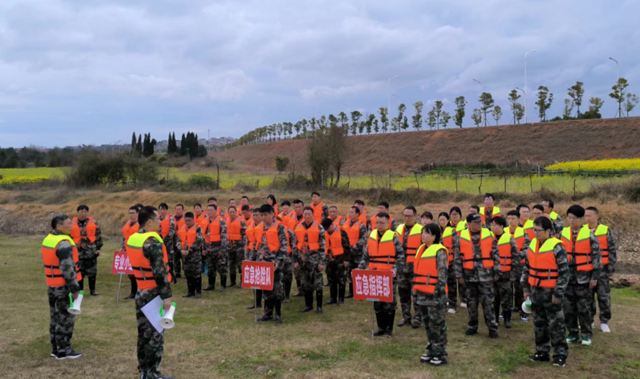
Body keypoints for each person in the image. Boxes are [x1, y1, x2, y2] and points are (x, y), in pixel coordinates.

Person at [125, 206, 174, 379]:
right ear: (149, 222)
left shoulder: (134, 238)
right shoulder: (152, 242)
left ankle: (144, 370)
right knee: (155, 333)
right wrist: (166, 297)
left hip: (141, 289)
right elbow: (160, 273)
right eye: (158, 219)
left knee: (143, 333)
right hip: (153, 292)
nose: (161, 222)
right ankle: (153, 373)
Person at [522, 217, 569, 368]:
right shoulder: (532, 245)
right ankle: (542, 352)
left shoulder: (557, 248)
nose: (535, 233)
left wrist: (558, 294)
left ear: (548, 231)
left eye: (538, 230)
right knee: (539, 323)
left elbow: (564, 274)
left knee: (556, 325)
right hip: (536, 291)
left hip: (551, 293)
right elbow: (527, 269)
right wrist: (526, 289)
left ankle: (560, 354)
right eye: (534, 230)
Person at [455, 213, 501, 338]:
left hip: (486, 276)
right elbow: (458, 259)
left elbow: (496, 255)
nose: (479, 224)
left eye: (480, 221)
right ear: (469, 224)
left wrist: (497, 271)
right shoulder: (460, 237)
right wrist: (459, 275)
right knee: (472, 303)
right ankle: (472, 327)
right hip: (469, 277)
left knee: (488, 303)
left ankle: (492, 328)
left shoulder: (489, 235)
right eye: (475, 222)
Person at [359, 212, 405, 336]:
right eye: (377, 222)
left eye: (382, 223)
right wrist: (360, 268)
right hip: (374, 274)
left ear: (388, 223)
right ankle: (381, 328)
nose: (379, 225)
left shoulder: (393, 237)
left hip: (388, 275)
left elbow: (401, 256)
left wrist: (395, 269)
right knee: (377, 302)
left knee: (389, 302)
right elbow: (366, 256)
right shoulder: (372, 236)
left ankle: (389, 330)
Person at [43, 215, 82, 360]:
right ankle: (64, 349)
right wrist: (74, 288)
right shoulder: (64, 243)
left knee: (54, 317)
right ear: (59, 226)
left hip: (52, 284)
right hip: (63, 286)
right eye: (68, 224)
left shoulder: (49, 239)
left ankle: (55, 348)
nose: (71, 226)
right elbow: (67, 268)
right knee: (65, 318)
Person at [561, 204, 601, 346]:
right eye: (569, 218)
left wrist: (594, 277)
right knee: (568, 308)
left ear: (581, 219)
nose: (571, 221)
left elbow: (597, 258)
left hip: (584, 278)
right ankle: (572, 333)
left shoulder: (590, 236)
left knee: (584, 307)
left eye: (574, 218)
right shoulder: (562, 234)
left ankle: (586, 334)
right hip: (567, 277)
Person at [414, 224, 449, 366]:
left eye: (426, 233)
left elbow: (442, 274)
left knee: (437, 325)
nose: (423, 235)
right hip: (422, 294)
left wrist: (438, 294)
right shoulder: (421, 250)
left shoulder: (439, 251)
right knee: (428, 324)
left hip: (435, 295)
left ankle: (440, 353)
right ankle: (431, 349)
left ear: (434, 236)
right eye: (422, 233)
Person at [585, 206, 616, 333]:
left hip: (602, 268)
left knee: (603, 296)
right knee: (588, 297)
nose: (587, 218)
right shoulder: (582, 231)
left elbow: (612, 249)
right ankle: (589, 320)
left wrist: (611, 267)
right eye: (585, 216)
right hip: (587, 269)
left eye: (589, 216)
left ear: (597, 216)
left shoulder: (605, 230)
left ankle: (604, 321)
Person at [255, 205, 288, 323]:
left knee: (276, 290)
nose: (263, 218)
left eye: (266, 215)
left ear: (272, 214)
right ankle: (267, 314)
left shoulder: (279, 228)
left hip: (274, 264)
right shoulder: (259, 228)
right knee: (265, 289)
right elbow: (256, 245)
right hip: (262, 263)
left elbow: (284, 247)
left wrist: (278, 262)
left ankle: (278, 314)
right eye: (262, 215)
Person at [396, 206, 424, 328]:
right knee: (403, 293)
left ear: (415, 217)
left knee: (416, 294)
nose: (406, 218)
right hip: (402, 267)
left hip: (415, 268)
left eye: (409, 216)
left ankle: (418, 317)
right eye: (405, 215)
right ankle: (405, 316)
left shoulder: (422, 230)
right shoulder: (398, 228)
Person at [294, 207, 326, 313]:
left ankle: (319, 307)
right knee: (306, 283)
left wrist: (321, 262)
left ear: (313, 215)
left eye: (309, 214)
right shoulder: (298, 227)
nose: (307, 216)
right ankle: (308, 305)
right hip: (303, 260)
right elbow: (295, 245)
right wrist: (296, 260)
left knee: (318, 283)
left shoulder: (319, 228)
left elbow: (323, 246)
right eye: (305, 214)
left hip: (315, 260)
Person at [490, 216, 519, 329]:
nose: (492, 227)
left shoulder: (509, 238)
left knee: (506, 298)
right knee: (494, 298)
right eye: (491, 225)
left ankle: (507, 319)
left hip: (506, 274)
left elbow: (515, 257)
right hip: (492, 274)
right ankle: (495, 319)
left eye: (494, 225)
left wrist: (513, 274)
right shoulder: (488, 238)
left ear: (501, 226)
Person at [71, 205, 103, 296]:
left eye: (85, 211)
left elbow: (98, 236)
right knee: (79, 272)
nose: (83, 213)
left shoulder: (94, 222)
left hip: (91, 251)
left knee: (92, 271)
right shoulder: (71, 223)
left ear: (88, 213)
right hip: (77, 251)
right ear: (77, 212)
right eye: (81, 211)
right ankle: (80, 290)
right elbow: (68, 237)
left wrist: (98, 248)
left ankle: (92, 290)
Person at [507, 209, 531, 322]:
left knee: (520, 288)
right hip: (506, 265)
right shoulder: (503, 231)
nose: (511, 221)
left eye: (513, 219)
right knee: (507, 288)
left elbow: (527, 249)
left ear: (518, 220)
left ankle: (524, 312)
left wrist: (516, 257)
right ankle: (509, 309)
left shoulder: (523, 232)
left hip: (520, 265)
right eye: (509, 219)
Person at [322, 217, 351, 305]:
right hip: (330, 260)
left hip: (340, 260)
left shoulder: (341, 232)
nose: (327, 230)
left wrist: (346, 260)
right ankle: (333, 298)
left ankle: (341, 299)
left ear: (332, 225)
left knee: (341, 280)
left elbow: (347, 247)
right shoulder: (325, 233)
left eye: (328, 228)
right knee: (331, 280)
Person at [176, 212, 204, 298]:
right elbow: (178, 241)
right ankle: (190, 292)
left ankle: (198, 292)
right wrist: (181, 250)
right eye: (186, 220)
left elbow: (198, 241)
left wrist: (190, 250)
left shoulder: (198, 228)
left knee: (196, 273)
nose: (187, 222)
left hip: (195, 255)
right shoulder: (182, 228)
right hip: (185, 256)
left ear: (193, 220)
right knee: (188, 273)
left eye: (189, 220)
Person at [203, 204, 229, 292]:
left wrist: (222, 249)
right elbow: (204, 236)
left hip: (218, 248)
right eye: (208, 210)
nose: (209, 212)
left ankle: (223, 286)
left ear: (215, 211)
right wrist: (203, 248)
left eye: (211, 210)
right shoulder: (206, 221)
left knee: (221, 268)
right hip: (209, 249)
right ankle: (211, 285)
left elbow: (224, 236)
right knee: (210, 268)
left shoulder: (221, 221)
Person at [343, 206, 367, 299]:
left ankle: (360, 292)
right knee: (349, 272)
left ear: (357, 214)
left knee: (359, 272)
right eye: (349, 212)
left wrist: (354, 247)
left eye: (352, 212)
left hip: (357, 253)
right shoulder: (346, 223)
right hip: (348, 253)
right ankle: (351, 292)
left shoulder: (361, 225)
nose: (350, 214)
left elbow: (363, 239)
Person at [441, 210, 460, 314]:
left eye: (444, 219)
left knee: (452, 283)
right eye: (440, 220)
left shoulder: (452, 231)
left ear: (447, 220)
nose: (442, 221)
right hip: (440, 262)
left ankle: (453, 304)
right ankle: (443, 303)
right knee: (441, 283)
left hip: (451, 261)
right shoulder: (436, 231)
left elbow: (457, 246)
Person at [246, 208, 264, 310]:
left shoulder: (265, 227)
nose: (255, 218)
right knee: (255, 280)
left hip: (265, 257)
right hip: (254, 255)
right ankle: (257, 302)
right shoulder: (252, 226)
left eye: (257, 215)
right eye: (254, 216)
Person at [226, 205, 247, 289]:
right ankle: (232, 281)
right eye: (230, 212)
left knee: (240, 264)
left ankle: (242, 282)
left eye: (233, 212)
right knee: (231, 264)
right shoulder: (226, 221)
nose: (231, 213)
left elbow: (245, 234)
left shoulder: (241, 221)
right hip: (230, 246)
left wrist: (242, 245)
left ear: (236, 212)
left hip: (239, 246)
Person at [122, 206, 140, 300]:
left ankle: (139, 292)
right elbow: (124, 238)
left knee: (138, 273)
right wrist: (122, 247)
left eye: (133, 213)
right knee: (131, 273)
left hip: (138, 251)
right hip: (128, 251)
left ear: (137, 214)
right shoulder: (127, 224)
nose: (131, 215)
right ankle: (133, 293)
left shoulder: (141, 224)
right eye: (129, 213)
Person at [288, 199, 306, 296]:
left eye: (299, 207)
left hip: (304, 249)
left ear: (303, 207)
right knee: (296, 270)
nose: (297, 209)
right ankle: (300, 290)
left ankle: (306, 290)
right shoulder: (291, 217)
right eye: (295, 207)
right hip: (293, 248)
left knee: (305, 270)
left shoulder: (307, 218)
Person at [158, 203, 176, 284]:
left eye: (164, 209)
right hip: (158, 243)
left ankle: (171, 276)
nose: (162, 211)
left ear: (166, 210)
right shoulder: (156, 219)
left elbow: (172, 231)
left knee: (169, 260)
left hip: (167, 244)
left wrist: (164, 240)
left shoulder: (170, 219)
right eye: (160, 209)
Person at [172, 204, 186, 278]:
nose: (178, 210)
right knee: (175, 257)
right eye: (177, 209)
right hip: (173, 240)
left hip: (182, 240)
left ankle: (185, 270)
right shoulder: (172, 218)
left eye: (179, 209)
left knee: (183, 256)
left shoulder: (185, 218)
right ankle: (177, 272)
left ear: (182, 210)